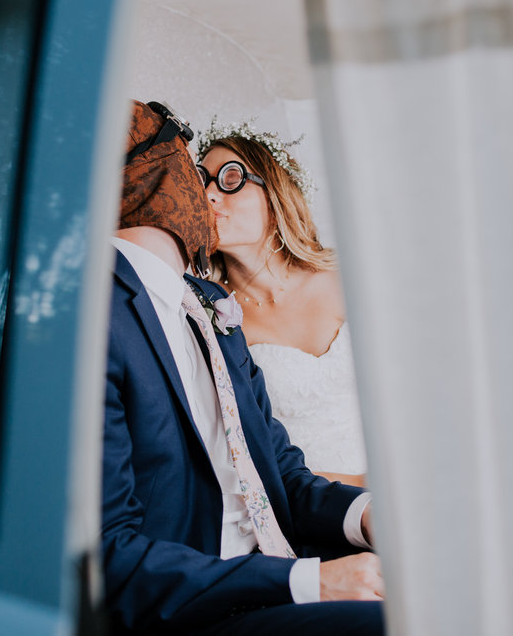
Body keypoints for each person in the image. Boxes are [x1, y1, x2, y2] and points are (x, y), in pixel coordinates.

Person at [101, 100, 384, 635]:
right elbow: (111, 553)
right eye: (186, 150)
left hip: (296, 541)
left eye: (227, 177)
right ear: (146, 173)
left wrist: (371, 515)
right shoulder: (99, 314)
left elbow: (278, 474)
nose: (206, 190)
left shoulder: (208, 309)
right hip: (213, 596)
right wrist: (311, 583)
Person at [196, 121, 367, 487]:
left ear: (274, 195)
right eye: (201, 182)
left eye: (230, 178)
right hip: (306, 508)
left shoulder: (347, 278)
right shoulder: (211, 318)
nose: (209, 194)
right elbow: (240, 454)